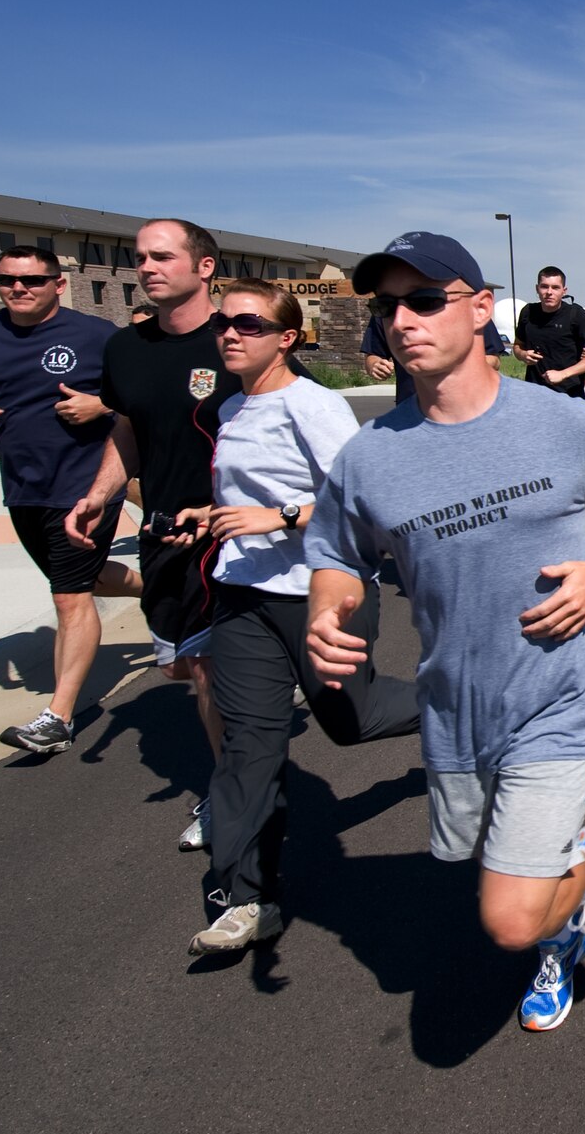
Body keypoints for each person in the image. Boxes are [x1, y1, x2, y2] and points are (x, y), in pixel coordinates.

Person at [307, 231, 585, 1033]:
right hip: (455, 702)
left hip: (559, 690)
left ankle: (576, 893)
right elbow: (334, 553)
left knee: (507, 914)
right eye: (387, 306)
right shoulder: (369, 458)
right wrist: (329, 611)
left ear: (476, 309)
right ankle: (568, 901)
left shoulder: (560, 422)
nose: (402, 319)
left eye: (424, 300)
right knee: (489, 859)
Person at [167, 281, 421, 954]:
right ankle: (247, 897)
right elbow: (250, 495)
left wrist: (276, 516)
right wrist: (212, 517)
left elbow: (365, 500)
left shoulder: (313, 405)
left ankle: (455, 696)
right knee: (249, 742)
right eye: (223, 323)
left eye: (248, 323)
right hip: (243, 596)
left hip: (320, 590)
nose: (230, 333)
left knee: (350, 720)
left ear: (286, 338)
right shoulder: (230, 407)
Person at [66, 219, 238, 851]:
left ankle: (232, 798)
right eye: (139, 257)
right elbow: (128, 429)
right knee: (182, 667)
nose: (147, 267)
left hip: (230, 534)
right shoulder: (124, 350)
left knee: (205, 668)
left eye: (162, 256)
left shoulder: (240, 341)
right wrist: (101, 493)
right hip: (162, 532)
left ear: (204, 268)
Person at [0, 245, 136, 754]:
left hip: (87, 485)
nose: (18, 289)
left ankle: (57, 718)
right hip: (24, 486)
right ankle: (159, 591)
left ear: (58, 284)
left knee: (69, 596)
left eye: (32, 281)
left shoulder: (97, 337)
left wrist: (101, 403)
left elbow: (139, 397)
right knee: (79, 579)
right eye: (6, 281)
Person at [362, 311, 505, 402]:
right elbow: (373, 355)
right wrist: (375, 365)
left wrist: (456, 365)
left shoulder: (465, 307)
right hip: (409, 409)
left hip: (467, 408)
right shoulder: (386, 310)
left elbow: (494, 359)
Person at [513, 266, 585, 396]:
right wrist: (522, 354)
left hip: (568, 396)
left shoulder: (575, 314)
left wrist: (563, 374)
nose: (549, 292)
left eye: (555, 287)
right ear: (537, 288)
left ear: (564, 290)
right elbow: (517, 345)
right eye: (544, 286)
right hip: (535, 396)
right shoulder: (528, 312)